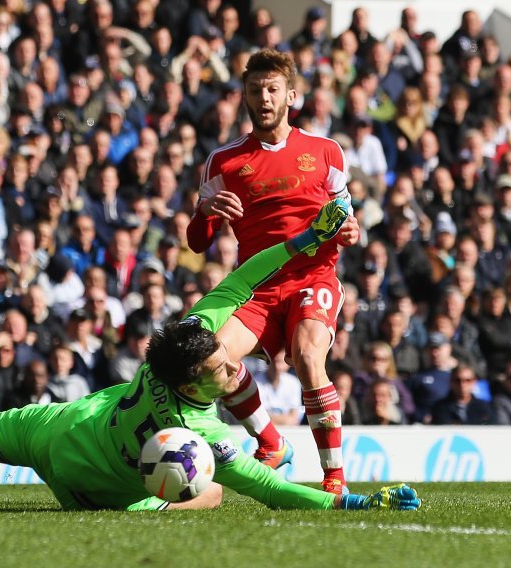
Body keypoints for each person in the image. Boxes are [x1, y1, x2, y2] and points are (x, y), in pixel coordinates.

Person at [0, 201, 419, 514]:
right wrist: (356, 503)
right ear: (198, 377)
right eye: (225, 368)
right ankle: (158, 493)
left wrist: (303, 237)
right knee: (213, 495)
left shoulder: (182, 339)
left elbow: (246, 274)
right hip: (99, 493)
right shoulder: (203, 434)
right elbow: (277, 492)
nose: (237, 368)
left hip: (59, 430)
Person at [186, 49, 360, 494]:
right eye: (254, 90)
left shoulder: (325, 151)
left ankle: (334, 478)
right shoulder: (224, 161)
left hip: (312, 277)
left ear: (291, 96)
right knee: (212, 359)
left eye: (272, 89)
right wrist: (205, 211)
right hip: (258, 287)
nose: (263, 98)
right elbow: (197, 241)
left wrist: (349, 230)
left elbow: (345, 217)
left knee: (307, 357)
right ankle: (271, 442)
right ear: (244, 97)